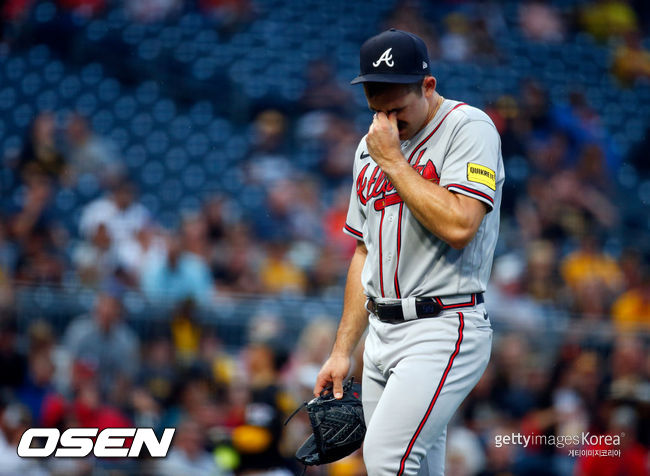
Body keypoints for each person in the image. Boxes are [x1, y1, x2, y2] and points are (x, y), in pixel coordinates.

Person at [314, 29, 504, 475]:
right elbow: (364, 252)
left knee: (386, 460)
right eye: (376, 110)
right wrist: (343, 350)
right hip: (380, 333)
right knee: (415, 468)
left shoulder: (468, 127)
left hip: (443, 326)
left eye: (397, 109)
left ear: (428, 86)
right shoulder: (370, 148)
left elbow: (460, 225)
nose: (386, 122)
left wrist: (394, 162)